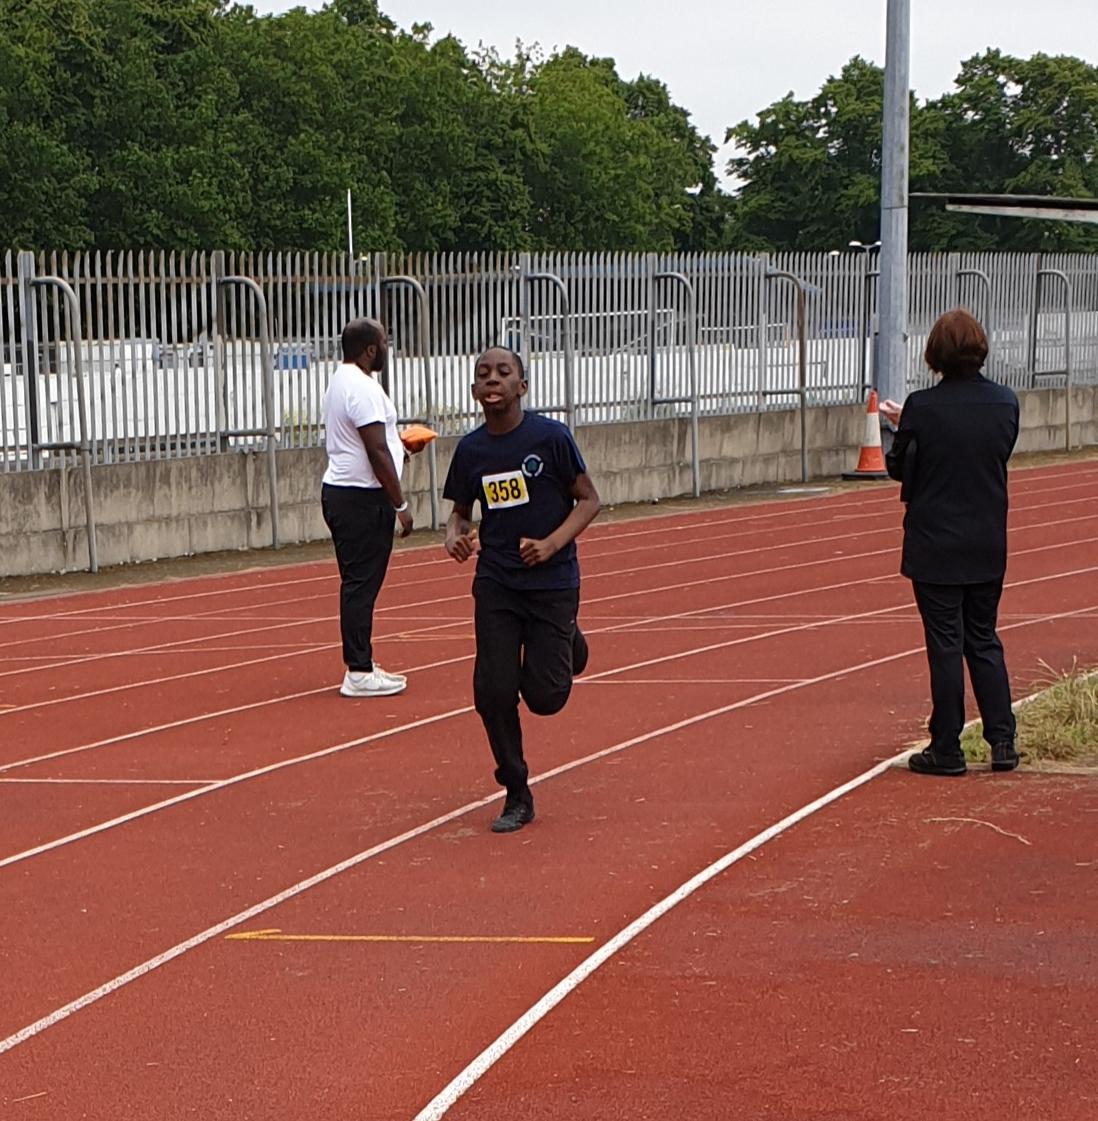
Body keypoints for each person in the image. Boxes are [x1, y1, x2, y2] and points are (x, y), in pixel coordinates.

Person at [443, 347, 601, 832]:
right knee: (491, 691)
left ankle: (569, 639)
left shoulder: (550, 438)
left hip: (552, 583)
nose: (492, 379)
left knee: (545, 698)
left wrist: (551, 544)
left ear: (522, 387)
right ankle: (516, 791)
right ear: (475, 391)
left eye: (503, 372)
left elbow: (589, 500)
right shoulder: (471, 451)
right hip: (497, 583)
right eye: (483, 374)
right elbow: (459, 513)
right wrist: (454, 536)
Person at [880, 308, 1020, 776]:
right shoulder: (1005, 403)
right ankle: (1002, 740)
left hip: (935, 542)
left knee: (945, 644)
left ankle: (947, 747)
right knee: (983, 638)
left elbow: (900, 467)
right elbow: (995, 452)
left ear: (935, 353)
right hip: (986, 540)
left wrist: (904, 427)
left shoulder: (921, 407)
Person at [321, 317, 413, 698]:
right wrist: (400, 503)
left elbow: (375, 444)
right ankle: (358, 670)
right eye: (385, 343)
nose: (388, 349)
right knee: (361, 585)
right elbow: (375, 450)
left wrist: (400, 449)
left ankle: (362, 663)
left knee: (357, 583)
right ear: (371, 349)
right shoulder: (361, 388)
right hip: (361, 498)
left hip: (344, 492)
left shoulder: (343, 380)